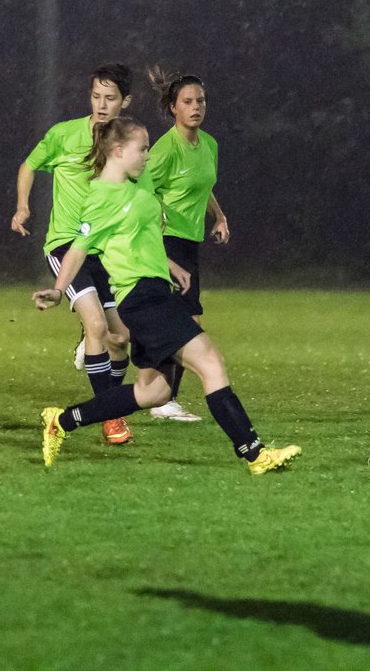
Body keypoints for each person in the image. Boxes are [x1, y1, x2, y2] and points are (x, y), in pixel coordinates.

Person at [33, 116, 300, 475]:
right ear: (117, 150)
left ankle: (62, 421)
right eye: (141, 149)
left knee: (153, 392)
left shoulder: (137, 183)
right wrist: (57, 289)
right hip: (142, 299)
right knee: (210, 362)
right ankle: (255, 453)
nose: (147, 155)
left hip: (155, 291)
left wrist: (171, 265)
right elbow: (79, 248)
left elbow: (143, 234)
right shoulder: (100, 196)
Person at [12, 64, 136, 445]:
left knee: (121, 338)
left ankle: (106, 397)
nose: (101, 105)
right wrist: (22, 207)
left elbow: (139, 191)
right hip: (67, 245)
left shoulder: (127, 143)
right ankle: (110, 416)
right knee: (99, 327)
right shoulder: (64, 134)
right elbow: (29, 165)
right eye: (96, 96)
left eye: (110, 98)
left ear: (125, 102)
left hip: (108, 252)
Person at [142, 67, 230, 422]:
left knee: (181, 320)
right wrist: (155, 234)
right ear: (173, 108)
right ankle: (162, 400)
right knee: (181, 321)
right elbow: (141, 193)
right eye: (188, 102)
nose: (196, 107)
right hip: (166, 242)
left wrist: (220, 217)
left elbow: (202, 185)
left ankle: (157, 395)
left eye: (201, 101)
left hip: (190, 242)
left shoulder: (209, 145)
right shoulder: (165, 149)